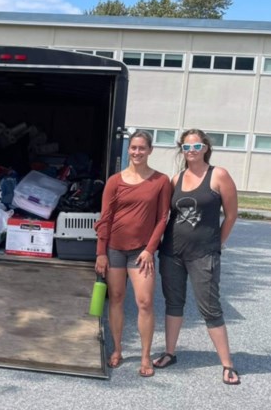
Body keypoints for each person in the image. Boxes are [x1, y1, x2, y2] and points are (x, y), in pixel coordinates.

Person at [153, 128, 241, 385]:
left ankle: (227, 364)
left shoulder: (219, 175)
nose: (191, 152)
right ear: (182, 150)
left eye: (196, 147)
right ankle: (170, 352)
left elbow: (232, 214)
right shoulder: (176, 178)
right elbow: (166, 215)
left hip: (204, 254)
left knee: (210, 309)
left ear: (205, 148)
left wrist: (217, 243)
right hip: (172, 252)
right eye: (187, 147)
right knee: (173, 303)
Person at [93, 131, 172, 377]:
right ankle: (117, 350)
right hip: (114, 249)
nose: (137, 152)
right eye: (133, 148)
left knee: (145, 302)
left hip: (141, 253)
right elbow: (105, 218)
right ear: (128, 150)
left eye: (142, 148)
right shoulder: (115, 181)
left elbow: (162, 218)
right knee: (116, 298)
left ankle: (146, 356)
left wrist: (150, 249)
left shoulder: (161, 181)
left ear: (150, 150)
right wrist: (101, 253)